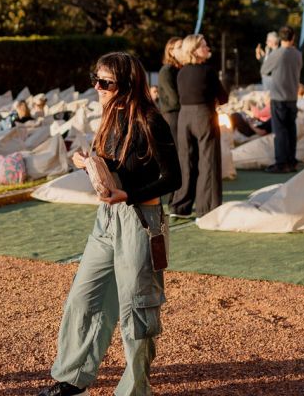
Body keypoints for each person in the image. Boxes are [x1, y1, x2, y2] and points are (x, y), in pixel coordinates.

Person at [38, 52, 181, 396]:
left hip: (140, 221)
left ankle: (135, 390)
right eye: (96, 80)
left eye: (106, 82)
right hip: (107, 220)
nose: (97, 87)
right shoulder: (110, 117)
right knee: (84, 299)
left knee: (137, 308)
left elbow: (172, 177)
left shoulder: (150, 120)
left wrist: (128, 194)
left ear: (127, 84)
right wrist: (88, 163)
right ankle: (72, 379)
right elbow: (116, 166)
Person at [170, 34, 228, 218]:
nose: (207, 47)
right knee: (208, 160)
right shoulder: (208, 71)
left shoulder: (181, 72)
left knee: (185, 161)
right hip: (204, 115)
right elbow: (223, 97)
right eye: (203, 45)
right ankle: (207, 208)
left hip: (184, 117)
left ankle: (180, 206)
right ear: (194, 50)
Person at [260, 25, 303, 173]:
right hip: (292, 96)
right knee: (291, 130)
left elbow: (264, 70)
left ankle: (281, 163)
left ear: (280, 38)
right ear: (293, 38)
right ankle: (291, 161)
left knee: (280, 131)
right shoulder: (298, 54)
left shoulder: (278, 54)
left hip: (278, 96)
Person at [157, 37, 183, 145]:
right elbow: (174, 99)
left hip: (182, 114)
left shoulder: (182, 69)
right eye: (180, 47)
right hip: (173, 116)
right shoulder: (166, 71)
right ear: (171, 52)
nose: (183, 50)